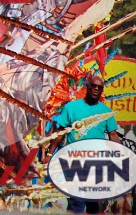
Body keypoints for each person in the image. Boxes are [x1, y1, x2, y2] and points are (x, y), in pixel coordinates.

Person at [48, 76, 121, 214]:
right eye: (93, 86)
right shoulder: (71, 107)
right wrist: (49, 153)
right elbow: (60, 132)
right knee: (77, 199)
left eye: (99, 87)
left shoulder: (106, 112)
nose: (96, 89)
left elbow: (113, 135)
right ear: (87, 87)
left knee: (92, 201)